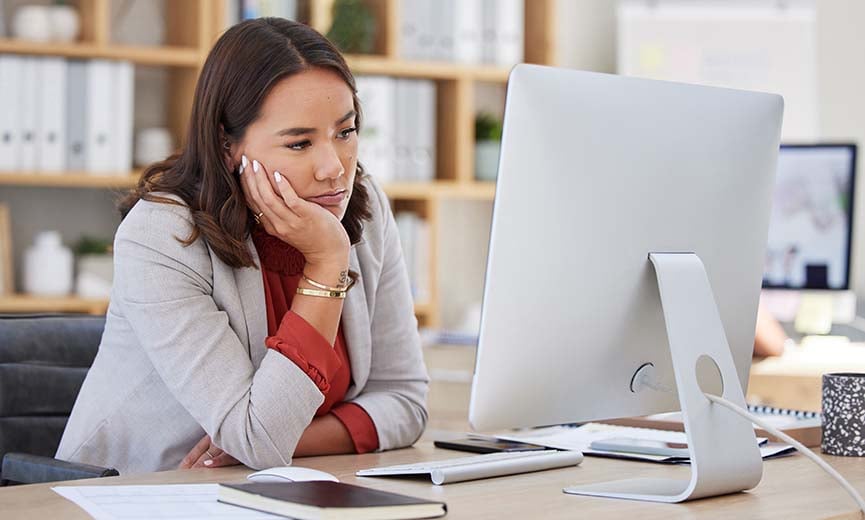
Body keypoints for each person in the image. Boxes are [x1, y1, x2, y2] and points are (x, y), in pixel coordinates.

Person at [56, 18, 429, 474]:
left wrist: (286, 442)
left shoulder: (365, 209)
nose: (334, 168)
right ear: (227, 144)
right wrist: (326, 265)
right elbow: (259, 438)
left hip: (277, 488)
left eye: (345, 132)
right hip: (139, 493)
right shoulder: (160, 236)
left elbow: (406, 401)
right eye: (299, 143)